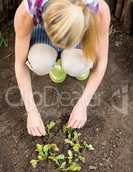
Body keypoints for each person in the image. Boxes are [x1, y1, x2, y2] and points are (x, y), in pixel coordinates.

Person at [14, 0, 110, 136]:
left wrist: (83, 104)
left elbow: (102, 61)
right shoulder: (29, 9)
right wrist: (31, 111)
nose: (60, 47)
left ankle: (74, 64)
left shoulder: (98, 9)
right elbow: (19, 63)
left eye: (64, 45)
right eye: (58, 43)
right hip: (43, 35)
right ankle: (54, 62)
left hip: (77, 30)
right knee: (40, 61)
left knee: (76, 65)